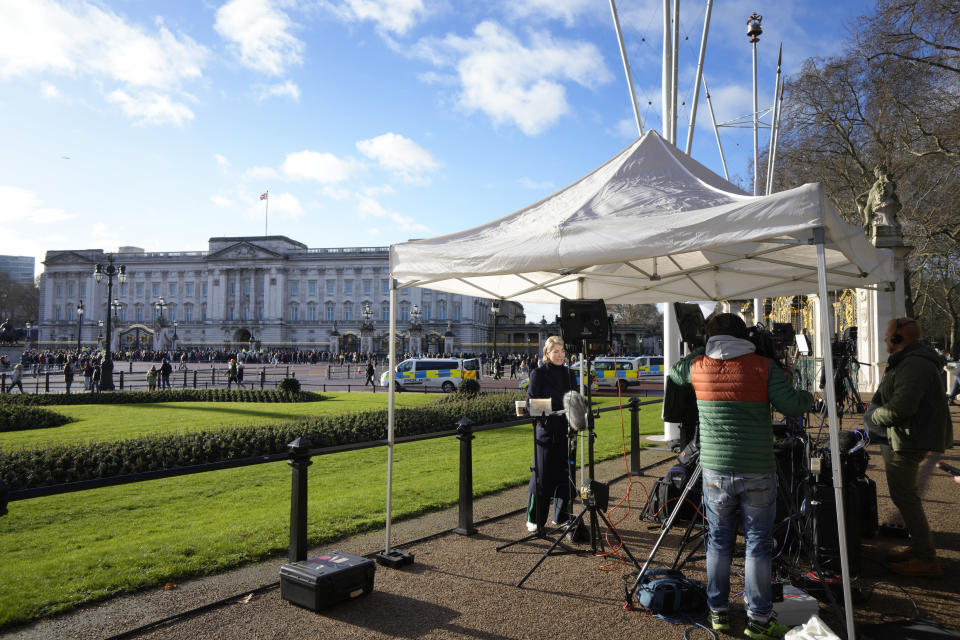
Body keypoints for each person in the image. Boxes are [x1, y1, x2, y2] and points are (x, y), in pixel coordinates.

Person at [669, 313, 813, 639]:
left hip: (716, 470)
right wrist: (810, 398)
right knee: (758, 544)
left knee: (718, 542)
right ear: (744, 335)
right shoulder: (763, 366)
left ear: (711, 337)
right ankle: (759, 619)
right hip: (757, 468)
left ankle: (717, 612)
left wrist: (699, 350)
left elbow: (676, 372)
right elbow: (791, 406)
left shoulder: (698, 366)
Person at [866, 318, 952, 578]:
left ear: (897, 339)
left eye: (887, 336)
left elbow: (901, 408)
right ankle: (919, 549)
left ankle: (926, 558)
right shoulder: (912, 362)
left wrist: (873, 416)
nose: (884, 340)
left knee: (905, 497)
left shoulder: (913, 364)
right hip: (907, 437)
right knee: (906, 496)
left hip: (907, 439)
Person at [524, 335, 577, 532]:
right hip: (546, 431)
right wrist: (543, 415)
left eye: (562, 351)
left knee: (566, 475)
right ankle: (535, 518)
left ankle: (562, 515)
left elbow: (574, 399)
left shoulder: (570, 374)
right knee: (541, 477)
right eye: (556, 351)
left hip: (566, 430)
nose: (560, 355)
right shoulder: (538, 373)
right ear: (547, 353)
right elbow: (530, 401)